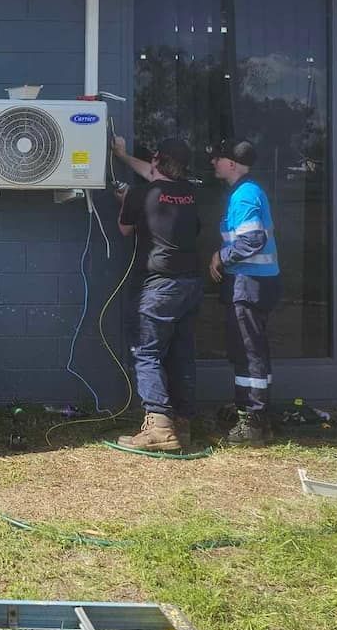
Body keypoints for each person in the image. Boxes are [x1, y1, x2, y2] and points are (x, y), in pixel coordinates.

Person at [110, 136, 203, 453]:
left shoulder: (140, 195)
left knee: (146, 353)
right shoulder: (190, 193)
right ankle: (182, 424)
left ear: (156, 159)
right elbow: (158, 181)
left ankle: (159, 428)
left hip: (158, 286)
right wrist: (123, 156)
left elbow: (125, 229)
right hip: (190, 284)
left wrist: (124, 200)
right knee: (181, 353)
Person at [209, 140, 279, 445]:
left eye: (218, 159)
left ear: (232, 164)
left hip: (250, 284)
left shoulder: (245, 194)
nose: (213, 162)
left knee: (250, 353)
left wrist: (220, 258)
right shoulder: (246, 191)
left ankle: (253, 422)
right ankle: (249, 413)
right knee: (246, 352)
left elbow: (251, 240)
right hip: (251, 283)